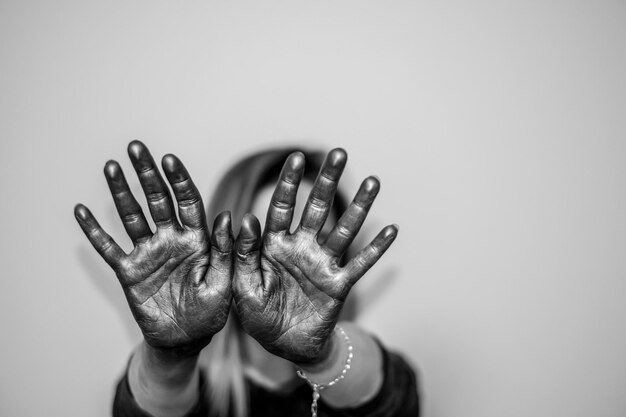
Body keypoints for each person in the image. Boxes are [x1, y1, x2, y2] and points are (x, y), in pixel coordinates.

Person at [74, 141, 420, 417]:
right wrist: (171, 356)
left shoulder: (362, 374)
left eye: (311, 242)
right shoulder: (191, 392)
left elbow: (391, 401)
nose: (287, 266)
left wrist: (323, 356)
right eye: (258, 236)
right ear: (218, 246)